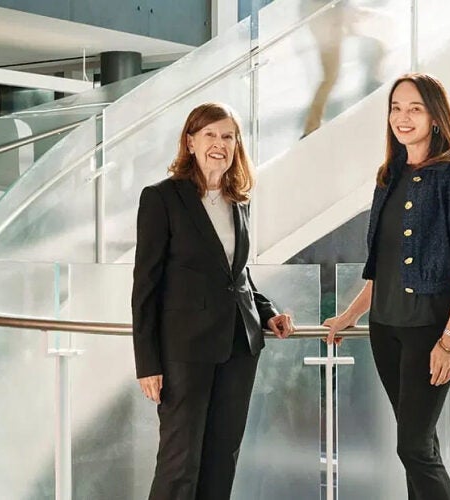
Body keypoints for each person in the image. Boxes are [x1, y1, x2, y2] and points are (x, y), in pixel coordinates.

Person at [323, 73, 450, 499]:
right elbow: (381, 266)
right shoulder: (388, 177)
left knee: (413, 447)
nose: (403, 117)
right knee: (418, 445)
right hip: (385, 329)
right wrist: (349, 315)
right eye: (396, 108)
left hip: (430, 331)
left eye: (415, 108)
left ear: (435, 117)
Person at [132, 102, 296, 500]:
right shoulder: (161, 198)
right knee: (179, 463)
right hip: (184, 351)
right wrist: (147, 363)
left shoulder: (238, 200)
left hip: (238, 346)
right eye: (210, 135)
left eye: (227, 136)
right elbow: (145, 286)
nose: (219, 144)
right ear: (190, 142)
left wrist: (268, 312)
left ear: (237, 144)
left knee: (222, 459)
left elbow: (236, 274)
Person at [301, 0, 384, 137]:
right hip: (330, 18)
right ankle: (311, 127)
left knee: (330, 77)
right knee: (330, 76)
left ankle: (311, 126)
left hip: (330, 17)